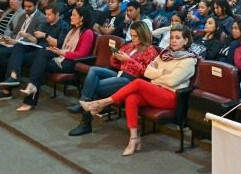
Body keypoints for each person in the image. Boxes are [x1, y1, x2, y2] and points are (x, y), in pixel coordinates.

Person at [80, 25, 197, 156]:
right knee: (132, 98)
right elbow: (148, 71)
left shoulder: (188, 60)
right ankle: (134, 139)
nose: (173, 40)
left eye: (178, 38)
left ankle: (101, 103)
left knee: (138, 83)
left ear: (186, 41)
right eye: (171, 38)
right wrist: (163, 73)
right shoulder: (165, 54)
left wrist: (157, 75)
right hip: (155, 91)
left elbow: (172, 82)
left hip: (170, 97)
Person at [68, 21, 159, 136]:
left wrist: (129, 60)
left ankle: (85, 115)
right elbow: (115, 65)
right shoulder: (129, 46)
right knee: (94, 70)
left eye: (136, 36)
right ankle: (85, 103)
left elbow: (146, 73)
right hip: (120, 75)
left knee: (93, 88)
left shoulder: (150, 51)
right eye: (132, 35)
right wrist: (116, 57)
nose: (133, 38)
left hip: (132, 82)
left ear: (143, 35)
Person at [17, 7, 95, 111]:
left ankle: (31, 93)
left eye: (74, 15)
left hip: (72, 63)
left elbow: (81, 54)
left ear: (82, 18)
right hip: (62, 57)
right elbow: (64, 45)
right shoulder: (72, 30)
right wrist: (56, 50)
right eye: (71, 14)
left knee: (39, 64)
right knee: (42, 53)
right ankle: (32, 90)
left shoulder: (88, 33)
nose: (71, 17)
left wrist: (61, 52)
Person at [0, 4, 68, 101]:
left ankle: (7, 91)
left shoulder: (63, 25)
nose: (46, 16)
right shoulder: (45, 24)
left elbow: (59, 44)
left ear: (57, 14)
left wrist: (45, 35)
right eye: (46, 14)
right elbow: (36, 41)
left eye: (49, 14)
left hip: (48, 53)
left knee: (14, 57)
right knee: (18, 47)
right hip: (38, 49)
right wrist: (27, 36)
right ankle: (13, 76)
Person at [0, 0, 45, 84]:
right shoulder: (23, 16)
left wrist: (17, 41)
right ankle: (1, 75)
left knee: (0, 53)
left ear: (36, 5)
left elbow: (36, 40)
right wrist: (8, 39)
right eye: (25, 6)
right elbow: (15, 32)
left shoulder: (40, 18)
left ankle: (10, 77)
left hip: (25, 45)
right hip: (15, 42)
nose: (27, 9)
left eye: (29, 7)